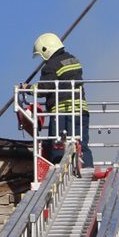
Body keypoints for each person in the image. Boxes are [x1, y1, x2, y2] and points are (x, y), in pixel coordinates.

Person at [33, 32, 93, 168]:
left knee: (58, 147)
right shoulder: (73, 60)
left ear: (46, 50)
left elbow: (44, 88)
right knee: (81, 145)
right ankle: (87, 169)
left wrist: (29, 88)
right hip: (81, 111)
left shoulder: (50, 66)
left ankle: (58, 170)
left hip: (61, 113)